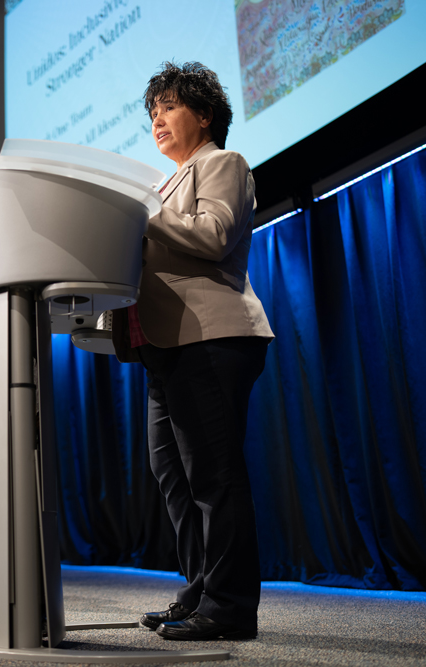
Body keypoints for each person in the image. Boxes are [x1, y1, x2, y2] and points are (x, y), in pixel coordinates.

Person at [109, 62, 274, 641]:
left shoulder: (222, 163)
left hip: (212, 334)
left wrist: (142, 215)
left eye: (169, 107)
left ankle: (229, 608)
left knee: (213, 476)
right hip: (163, 342)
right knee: (172, 474)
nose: (157, 119)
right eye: (152, 112)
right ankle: (201, 589)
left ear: (203, 115)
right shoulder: (163, 184)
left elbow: (212, 234)